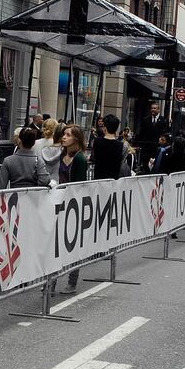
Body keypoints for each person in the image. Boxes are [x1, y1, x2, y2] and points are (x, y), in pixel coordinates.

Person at [60, 124, 88, 294]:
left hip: (73, 206)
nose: (64, 137)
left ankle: (72, 282)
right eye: (63, 134)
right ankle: (52, 281)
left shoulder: (80, 159)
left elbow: (80, 186)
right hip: (59, 203)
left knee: (73, 244)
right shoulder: (61, 155)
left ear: (75, 139)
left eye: (68, 135)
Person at [92, 114, 125, 180]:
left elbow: (94, 157)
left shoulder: (97, 141)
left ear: (105, 127)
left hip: (98, 180)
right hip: (113, 181)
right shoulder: (121, 145)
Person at [139, 101, 168, 169]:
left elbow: (164, 135)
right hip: (147, 148)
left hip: (158, 148)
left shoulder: (163, 120)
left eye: (154, 108)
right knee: (146, 167)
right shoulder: (145, 120)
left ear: (158, 109)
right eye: (152, 108)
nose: (152, 110)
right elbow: (142, 133)